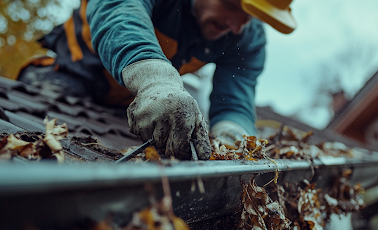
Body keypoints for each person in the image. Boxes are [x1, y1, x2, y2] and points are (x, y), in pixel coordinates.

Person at [17, 0, 296, 160]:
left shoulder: (248, 37)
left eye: (251, 17)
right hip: (70, 77)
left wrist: (232, 140)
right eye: (231, 4)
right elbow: (120, 13)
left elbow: (235, 99)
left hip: (129, 107)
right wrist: (155, 81)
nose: (236, 26)